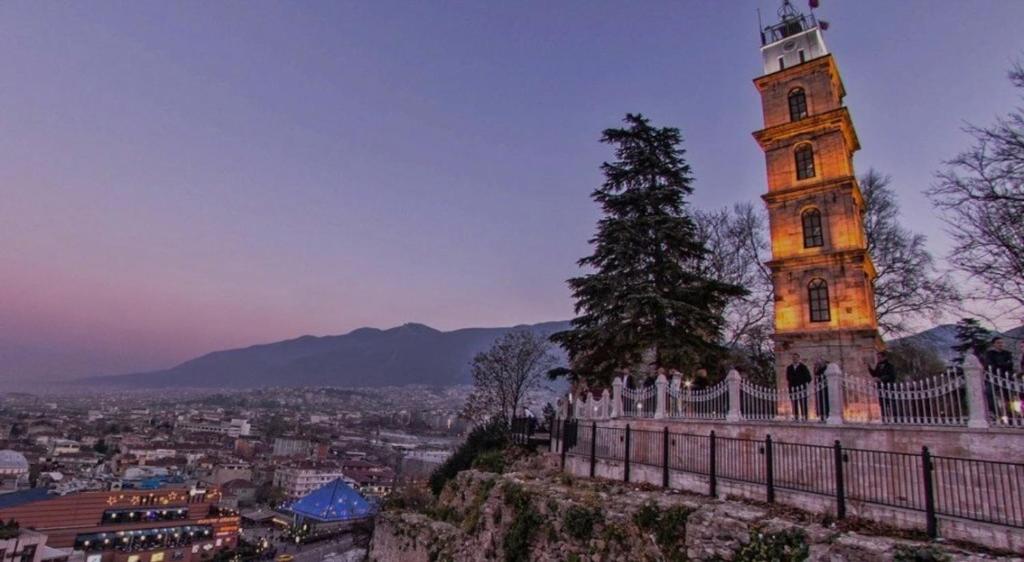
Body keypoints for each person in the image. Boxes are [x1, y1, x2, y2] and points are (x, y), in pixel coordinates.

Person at [867, 351, 897, 421]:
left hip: (888, 388)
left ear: (884, 357)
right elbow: (874, 374)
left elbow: (892, 376)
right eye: (877, 357)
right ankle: (884, 419)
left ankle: (895, 419)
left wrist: (881, 379)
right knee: (882, 404)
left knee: (890, 404)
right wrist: (869, 368)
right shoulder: (878, 365)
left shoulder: (890, 366)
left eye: (879, 357)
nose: (878, 359)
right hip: (880, 388)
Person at [786, 353, 812, 419]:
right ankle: (796, 417)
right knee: (794, 403)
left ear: (798, 358)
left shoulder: (803, 367)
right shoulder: (789, 368)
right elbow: (788, 377)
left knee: (803, 402)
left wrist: (802, 383)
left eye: (796, 358)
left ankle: (804, 417)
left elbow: (809, 378)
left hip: (801, 388)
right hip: (793, 388)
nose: (795, 359)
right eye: (793, 358)